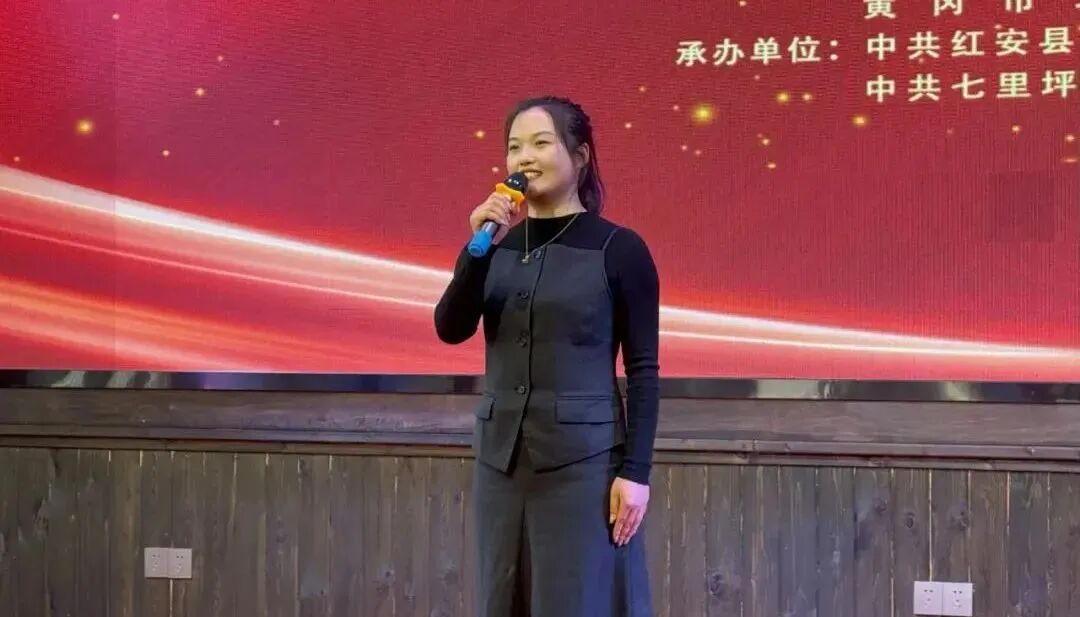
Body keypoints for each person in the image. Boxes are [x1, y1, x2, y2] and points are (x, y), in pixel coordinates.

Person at [434, 95, 660, 617]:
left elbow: (643, 370)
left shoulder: (619, 249)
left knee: (578, 600)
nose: (524, 158)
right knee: (503, 597)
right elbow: (450, 327)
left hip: (583, 467)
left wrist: (636, 472)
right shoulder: (496, 247)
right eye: (514, 147)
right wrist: (478, 247)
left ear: (580, 156)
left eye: (540, 143)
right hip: (501, 465)